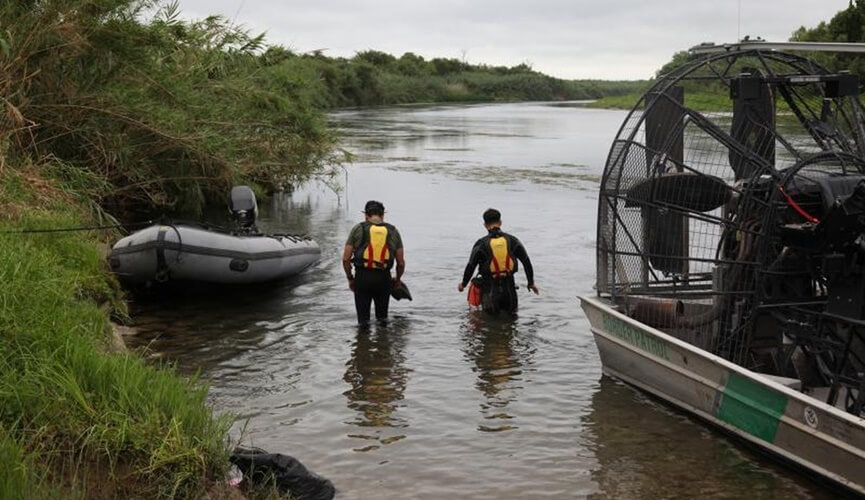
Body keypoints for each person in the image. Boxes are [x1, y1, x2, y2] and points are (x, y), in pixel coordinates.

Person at [458, 208, 538, 314]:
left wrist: (463, 284)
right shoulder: (513, 241)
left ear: (485, 225)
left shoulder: (481, 244)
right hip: (510, 292)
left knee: (490, 325)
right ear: (500, 222)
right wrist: (531, 283)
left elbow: (471, 266)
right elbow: (526, 262)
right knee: (511, 324)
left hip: (490, 293)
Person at [343, 200, 405, 325]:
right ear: (383, 215)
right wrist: (397, 280)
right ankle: (382, 342)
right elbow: (401, 263)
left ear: (366, 215)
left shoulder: (358, 229)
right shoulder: (393, 231)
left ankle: (362, 342)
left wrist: (350, 279)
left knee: (363, 323)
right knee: (382, 321)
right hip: (383, 279)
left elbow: (345, 259)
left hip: (362, 278)